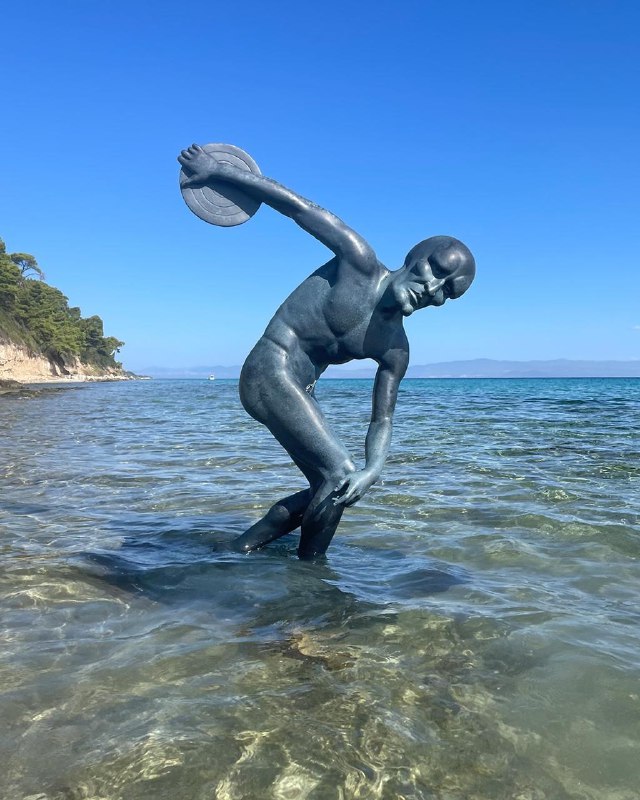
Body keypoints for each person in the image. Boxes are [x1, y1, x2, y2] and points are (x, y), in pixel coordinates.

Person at [178, 144, 476, 559]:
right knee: (338, 475)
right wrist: (218, 171)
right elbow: (297, 207)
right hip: (268, 366)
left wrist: (374, 469)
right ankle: (312, 578)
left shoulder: (395, 348)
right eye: (436, 271)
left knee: (333, 485)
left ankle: (239, 549)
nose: (432, 289)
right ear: (415, 257)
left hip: (300, 387)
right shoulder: (358, 261)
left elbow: (382, 419)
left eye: (447, 292)